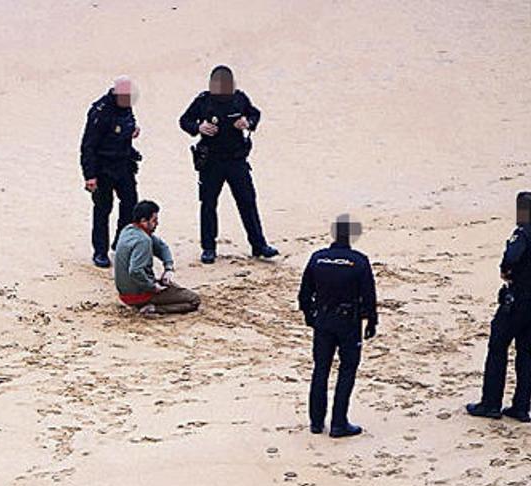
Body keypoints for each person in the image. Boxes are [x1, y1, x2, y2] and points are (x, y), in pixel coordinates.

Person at [179, 65, 278, 264]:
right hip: (211, 161)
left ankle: (259, 245)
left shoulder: (240, 98)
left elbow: (255, 114)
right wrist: (199, 127)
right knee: (208, 205)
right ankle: (208, 248)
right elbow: (184, 120)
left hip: (236, 160)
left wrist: (247, 122)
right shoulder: (203, 101)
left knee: (247, 202)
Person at [298, 214, 378, 437]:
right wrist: (371, 320)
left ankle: (316, 422)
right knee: (347, 370)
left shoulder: (318, 258)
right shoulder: (359, 261)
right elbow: (368, 295)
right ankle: (338, 423)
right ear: (352, 236)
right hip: (348, 322)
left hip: (323, 319)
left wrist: (308, 315)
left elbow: (304, 292)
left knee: (320, 369)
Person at [466, 192, 531, 423]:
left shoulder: (522, 233)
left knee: (497, 347)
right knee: (526, 354)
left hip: (517, 301)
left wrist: (506, 270)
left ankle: (491, 403)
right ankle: (522, 407)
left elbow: (512, 258)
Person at [80, 76, 143, 268]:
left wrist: (132, 132)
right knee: (102, 209)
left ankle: (120, 242)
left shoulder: (126, 107)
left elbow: (125, 127)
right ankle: (100, 251)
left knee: (131, 204)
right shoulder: (100, 112)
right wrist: (89, 175)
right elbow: (88, 145)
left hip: (123, 164)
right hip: (103, 167)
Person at [114, 200, 201, 315]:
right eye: (154, 220)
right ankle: (153, 309)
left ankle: (151, 303)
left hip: (125, 294)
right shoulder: (143, 240)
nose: (157, 223)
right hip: (140, 294)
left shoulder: (127, 230)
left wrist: (168, 268)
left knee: (174, 288)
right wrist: (153, 287)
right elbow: (135, 271)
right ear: (143, 221)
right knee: (194, 300)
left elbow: (161, 247)